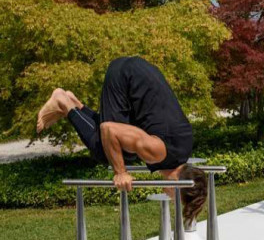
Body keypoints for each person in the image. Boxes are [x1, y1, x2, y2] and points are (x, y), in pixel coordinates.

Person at [36, 56, 208, 227]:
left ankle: (75, 104)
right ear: (178, 185)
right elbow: (109, 129)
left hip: (137, 75)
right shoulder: (158, 152)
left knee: (123, 151)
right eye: (177, 198)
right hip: (126, 77)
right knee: (107, 153)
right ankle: (63, 103)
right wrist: (120, 172)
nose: (172, 199)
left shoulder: (181, 149)